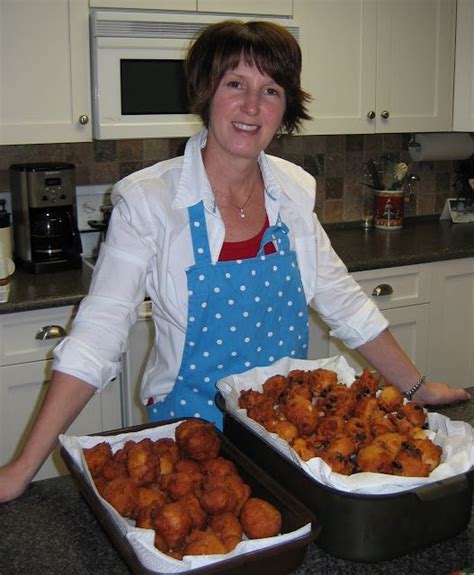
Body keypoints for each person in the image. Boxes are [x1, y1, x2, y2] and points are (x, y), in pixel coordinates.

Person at [0, 20, 469, 503]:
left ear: (286, 106)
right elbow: (96, 338)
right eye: (235, 84)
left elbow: (345, 303)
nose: (251, 106)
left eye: (270, 90)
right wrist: (22, 468)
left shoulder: (292, 191)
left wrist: (416, 388)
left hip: (286, 434)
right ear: (206, 93)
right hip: (190, 435)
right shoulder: (149, 203)